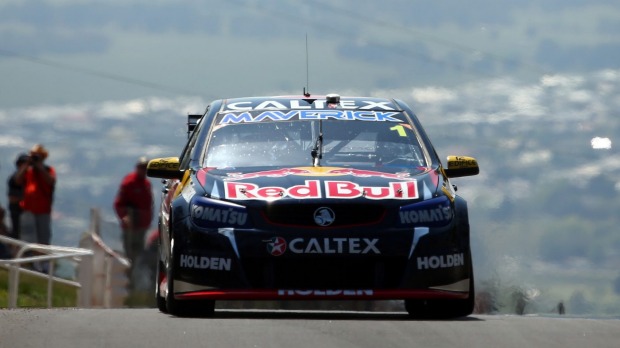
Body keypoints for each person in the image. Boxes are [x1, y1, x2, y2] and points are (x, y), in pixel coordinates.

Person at [114, 157, 154, 281]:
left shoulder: (147, 184)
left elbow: (149, 204)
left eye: (145, 168)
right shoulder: (129, 183)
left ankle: (133, 280)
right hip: (130, 227)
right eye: (142, 167)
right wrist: (124, 216)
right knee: (129, 253)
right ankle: (126, 279)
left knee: (138, 254)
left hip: (142, 227)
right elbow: (119, 203)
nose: (143, 170)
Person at [14, 144, 56, 246]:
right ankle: (29, 259)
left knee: (43, 240)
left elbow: (51, 181)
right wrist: (26, 164)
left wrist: (40, 167)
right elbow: (17, 180)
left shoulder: (48, 170)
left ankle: (42, 260)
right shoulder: (28, 171)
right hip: (28, 210)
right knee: (27, 239)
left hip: (43, 211)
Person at [7, 153, 29, 240]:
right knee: (17, 232)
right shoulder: (14, 178)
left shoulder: (29, 179)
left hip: (27, 210)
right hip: (16, 209)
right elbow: (18, 181)